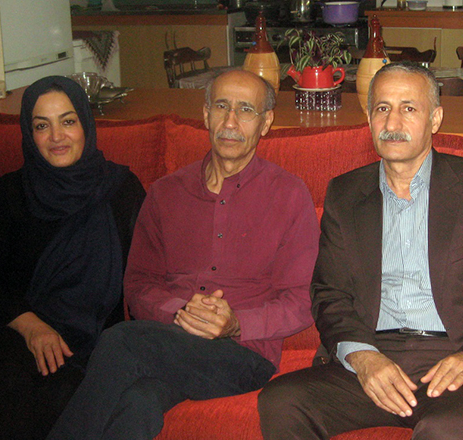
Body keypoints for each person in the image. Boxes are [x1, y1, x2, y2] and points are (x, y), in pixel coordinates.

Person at [258, 62, 463, 440]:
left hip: (453, 358)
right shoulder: (344, 193)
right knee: (281, 400)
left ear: (435, 119)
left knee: (445, 429)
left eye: (409, 108)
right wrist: (362, 356)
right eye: (382, 108)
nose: (393, 122)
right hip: (374, 354)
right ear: (369, 119)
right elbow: (329, 293)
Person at [47, 70, 320, 440]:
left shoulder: (289, 194)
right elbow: (138, 284)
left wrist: (236, 323)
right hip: (166, 340)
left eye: (245, 110)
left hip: (242, 356)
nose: (230, 122)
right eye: (221, 106)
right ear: (206, 114)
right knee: (140, 402)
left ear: (266, 122)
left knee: (119, 340)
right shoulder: (165, 194)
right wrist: (179, 313)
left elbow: (303, 300)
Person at [0, 75, 146, 440]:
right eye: (42, 126)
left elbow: (148, 270)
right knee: (9, 383)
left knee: (64, 395)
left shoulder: (122, 190)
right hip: (13, 330)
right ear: (29, 135)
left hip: (88, 338)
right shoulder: (8, 194)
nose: (57, 136)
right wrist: (32, 327)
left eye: (68, 121)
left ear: (85, 124)